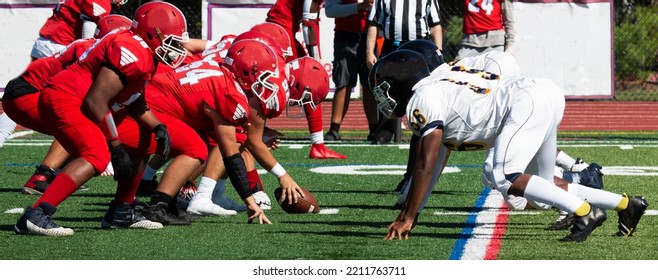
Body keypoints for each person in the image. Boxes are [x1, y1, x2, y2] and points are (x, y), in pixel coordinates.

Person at [371, 50, 648, 242]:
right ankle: (625, 204)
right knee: (539, 190)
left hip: (524, 103)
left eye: (385, 88)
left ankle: (585, 211)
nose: (383, 96)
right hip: (540, 95)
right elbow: (433, 168)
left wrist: (408, 216)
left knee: (505, 175)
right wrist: (413, 212)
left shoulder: (424, 97)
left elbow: (425, 164)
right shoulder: (442, 82)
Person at [13, 1, 188, 236]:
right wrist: (116, 147)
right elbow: (96, 101)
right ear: (153, 32)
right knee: (96, 155)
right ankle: (36, 215)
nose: (175, 49)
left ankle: (121, 211)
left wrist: (157, 126)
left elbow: (134, 99)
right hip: (67, 98)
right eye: (171, 41)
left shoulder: (141, 50)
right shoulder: (133, 51)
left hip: (80, 100)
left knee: (143, 139)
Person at [2, 15, 133, 196]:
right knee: (75, 121)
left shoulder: (90, 45)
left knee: (81, 121)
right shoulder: (93, 50)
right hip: (28, 92)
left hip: (26, 89)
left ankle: (59, 174)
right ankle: (42, 176)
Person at [0, 0, 129, 148]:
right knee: (77, 103)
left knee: (29, 92)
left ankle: (1, 134)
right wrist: (88, 54)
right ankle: (83, 152)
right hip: (60, 45)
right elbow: (90, 30)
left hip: (47, 43)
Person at [265, 0, 347, 159]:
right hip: (281, 32)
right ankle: (318, 145)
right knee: (311, 83)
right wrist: (316, 58)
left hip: (274, 28)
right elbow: (309, 22)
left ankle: (255, 130)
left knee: (266, 83)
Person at [365, 0, 442, 144]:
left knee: (424, 89)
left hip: (419, 48)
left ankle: (425, 127)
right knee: (385, 89)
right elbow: (374, 23)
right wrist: (369, 51)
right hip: (393, 46)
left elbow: (434, 25)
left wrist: (438, 51)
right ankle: (384, 133)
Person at [323, 0, 379, 142]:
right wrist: (359, 7)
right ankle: (334, 128)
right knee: (343, 83)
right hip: (346, 36)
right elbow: (330, 10)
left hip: (372, 36)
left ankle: (374, 128)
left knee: (370, 85)